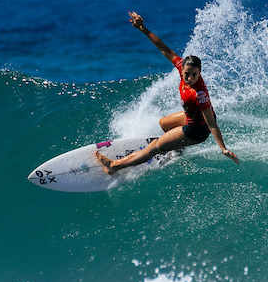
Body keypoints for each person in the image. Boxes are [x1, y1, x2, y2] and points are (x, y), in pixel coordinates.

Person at [94, 12, 239, 174]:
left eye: (194, 75)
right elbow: (164, 48)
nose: (189, 78)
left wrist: (223, 148)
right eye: (186, 74)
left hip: (197, 130)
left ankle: (113, 166)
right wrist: (143, 29)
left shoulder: (199, 94)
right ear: (182, 69)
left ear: (200, 73)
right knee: (163, 123)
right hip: (193, 118)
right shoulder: (181, 67)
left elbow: (211, 123)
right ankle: (176, 148)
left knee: (153, 148)